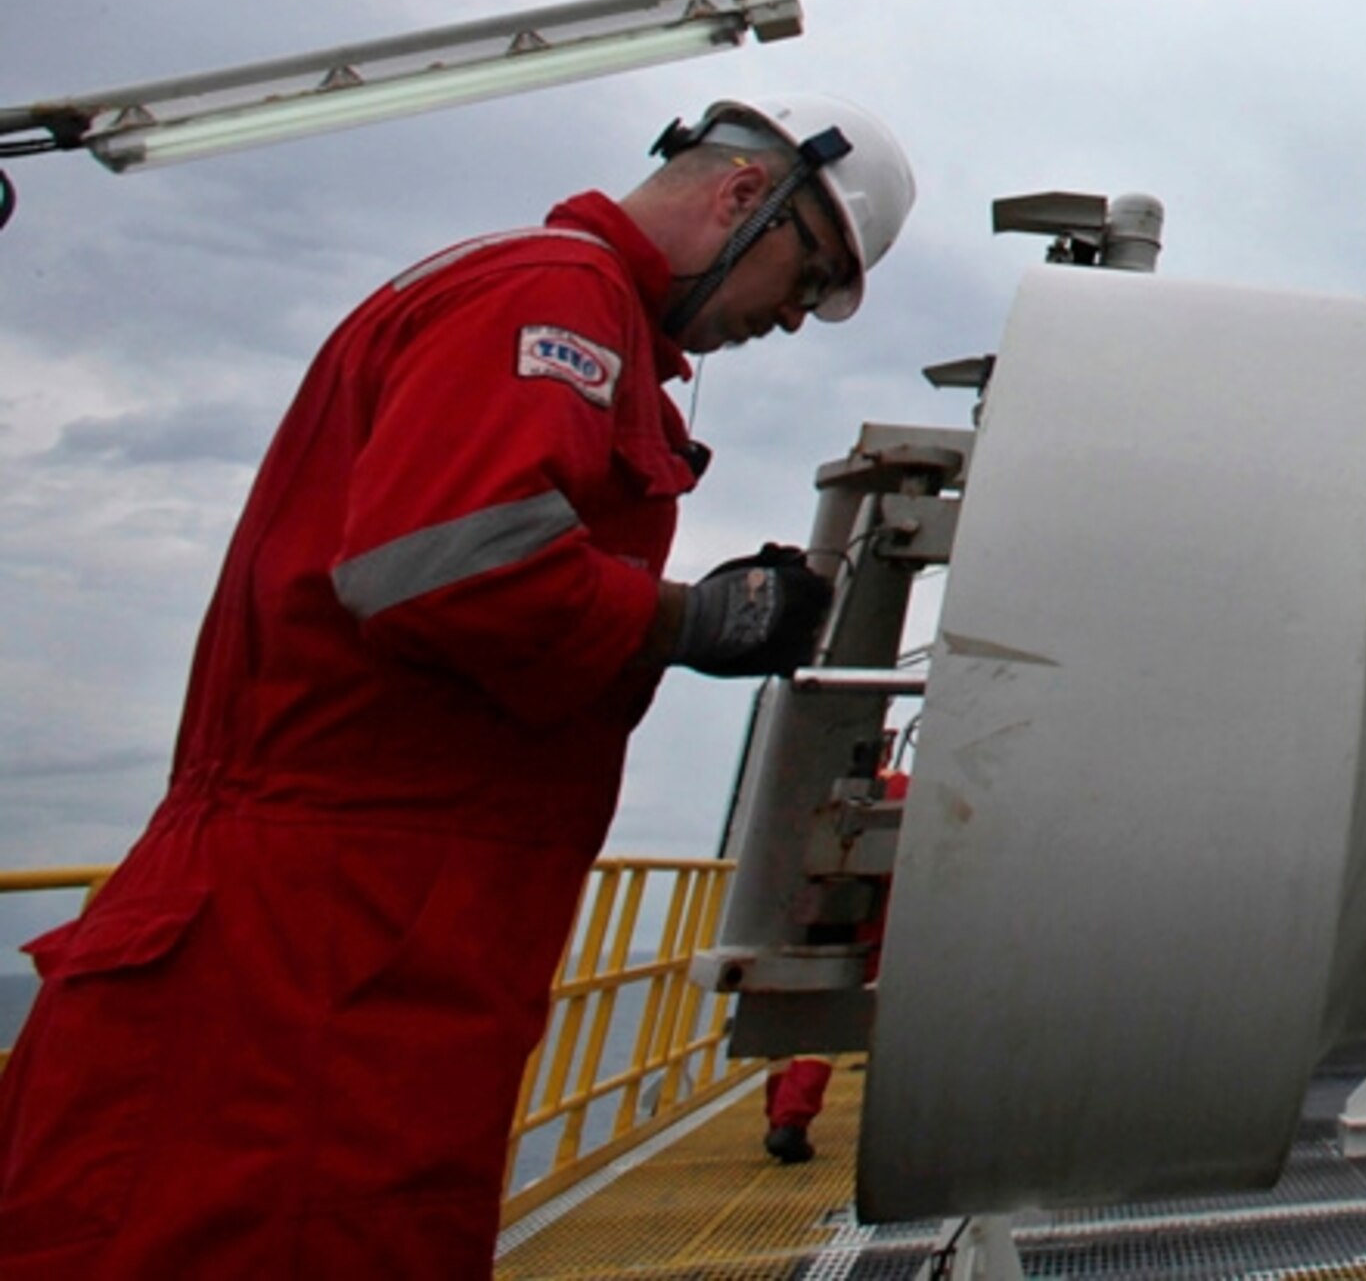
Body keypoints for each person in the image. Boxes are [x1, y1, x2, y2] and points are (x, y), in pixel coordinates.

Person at [0, 96, 915, 1279]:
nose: (791, 320)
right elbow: (443, 564)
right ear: (745, 198)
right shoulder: (548, 297)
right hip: (311, 953)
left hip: (397, 945)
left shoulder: (583, 322)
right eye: (809, 276)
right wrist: (696, 617)